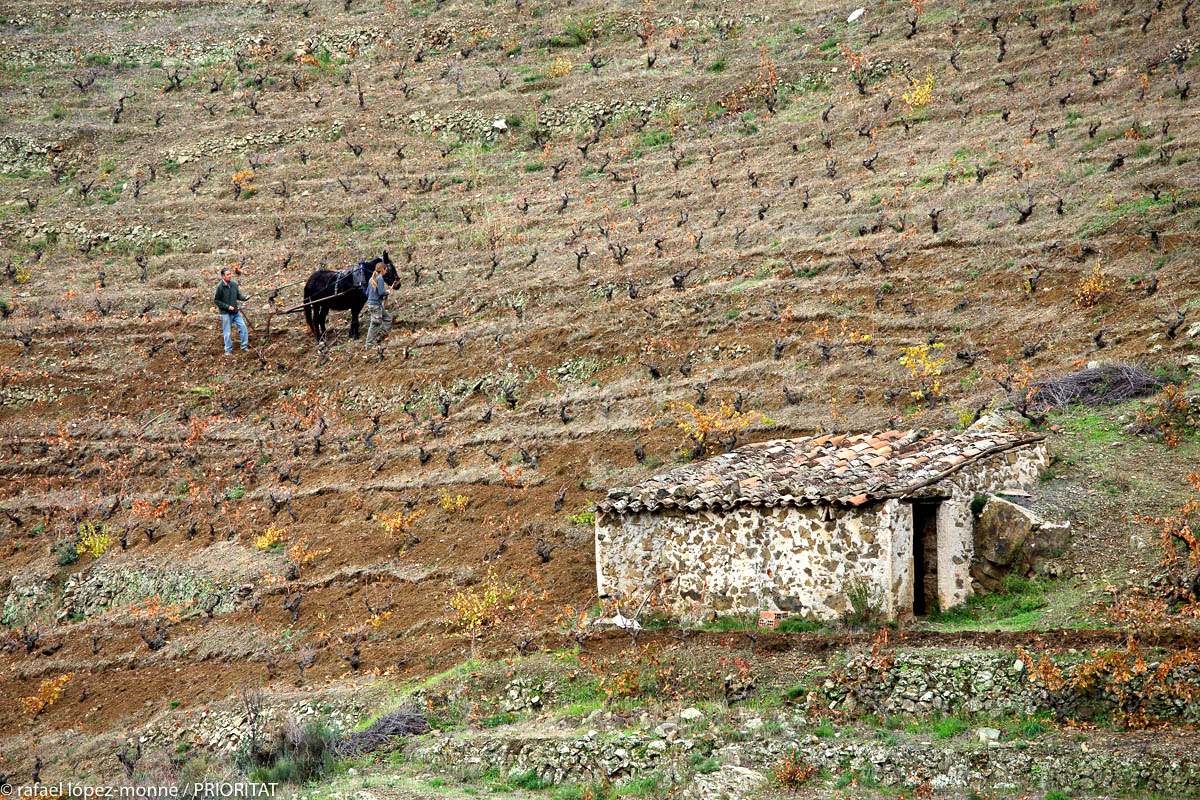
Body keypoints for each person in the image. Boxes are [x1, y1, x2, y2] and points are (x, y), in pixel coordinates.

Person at [214, 267, 249, 355]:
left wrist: (245, 298)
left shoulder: (233, 284)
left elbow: (238, 295)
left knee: (243, 327)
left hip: (235, 312)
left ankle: (244, 346)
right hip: (226, 313)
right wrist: (227, 307)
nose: (230, 276)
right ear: (223, 276)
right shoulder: (220, 287)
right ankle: (228, 351)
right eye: (228, 274)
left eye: (230, 274)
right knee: (227, 332)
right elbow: (216, 301)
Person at [363, 259, 392, 347]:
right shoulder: (380, 279)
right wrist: (387, 292)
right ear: (382, 270)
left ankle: (380, 336)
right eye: (385, 269)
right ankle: (369, 344)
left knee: (388, 318)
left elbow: (367, 293)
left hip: (374, 304)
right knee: (375, 323)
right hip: (376, 305)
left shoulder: (372, 279)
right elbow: (380, 292)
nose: (386, 271)